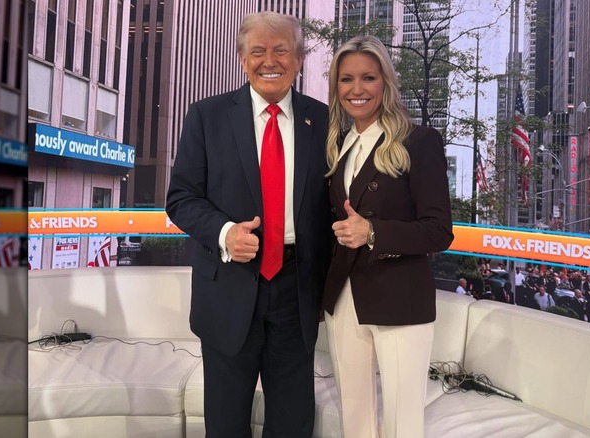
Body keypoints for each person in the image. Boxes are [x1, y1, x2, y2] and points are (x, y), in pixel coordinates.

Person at [165, 12, 331, 437]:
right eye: (257, 50)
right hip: (227, 288)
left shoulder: (325, 121)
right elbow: (181, 198)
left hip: (297, 292)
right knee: (225, 423)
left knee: (293, 423)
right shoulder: (207, 116)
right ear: (242, 59)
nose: (269, 60)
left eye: (281, 50)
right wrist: (225, 233)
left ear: (298, 60)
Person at [321, 36, 454, 437]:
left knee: (402, 420)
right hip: (344, 297)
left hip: (400, 297)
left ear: (386, 83)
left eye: (368, 77)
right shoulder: (339, 145)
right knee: (355, 418)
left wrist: (373, 231)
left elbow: (438, 231)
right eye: (346, 79)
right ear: (336, 87)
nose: (356, 89)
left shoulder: (419, 141)